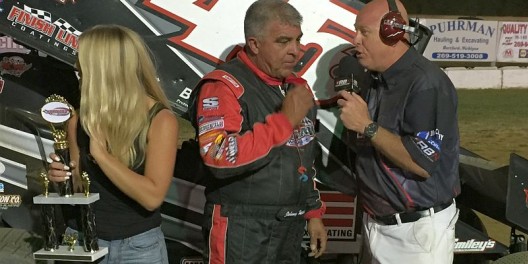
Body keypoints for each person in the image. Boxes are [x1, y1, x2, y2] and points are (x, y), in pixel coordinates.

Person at [188, 0, 328, 263]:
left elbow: (303, 156)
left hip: (290, 224)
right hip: (242, 227)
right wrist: (283, 123)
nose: (296, 51)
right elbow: (218, 156)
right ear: (254, 44)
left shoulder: (298, 87)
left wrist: (312, 213)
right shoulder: (223, 85)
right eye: (283, 41)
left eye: (298, 40)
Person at [336, 0, 461, 263]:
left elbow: (422, 162)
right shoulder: (373, 79)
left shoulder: (427, 83)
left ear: (392, 32)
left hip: (416, 234)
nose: (355, 40)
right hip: (376, 224)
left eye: (364, 32)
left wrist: (367, 126)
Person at [46, 24, 178, 263]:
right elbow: (78, 190)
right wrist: (60, 178)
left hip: (137, 249)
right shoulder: (78, 119)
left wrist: (101, 154)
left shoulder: (160, 120)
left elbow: (152, 196)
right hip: (81, 241)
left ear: (103, 69)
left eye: (82, 64)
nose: (76, 67)